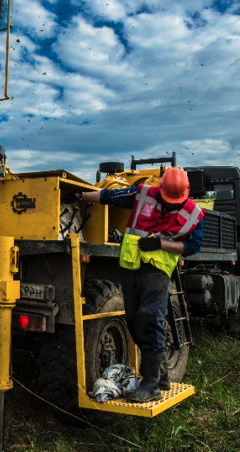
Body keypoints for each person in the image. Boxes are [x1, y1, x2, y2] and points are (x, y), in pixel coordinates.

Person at [70, 167, 204, 402]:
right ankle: (161, 375)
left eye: (175, 201)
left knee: (150, 319)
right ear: (160, 189)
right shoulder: (144, 194)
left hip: (157, 271)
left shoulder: (194, 213)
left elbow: (193, 247)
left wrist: (162, 245)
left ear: (186, 193)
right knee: (133, 321)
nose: (171, 204)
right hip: (131, 267)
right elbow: (108, 197)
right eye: (167, 198)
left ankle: (150, 384)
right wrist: (79, 196)